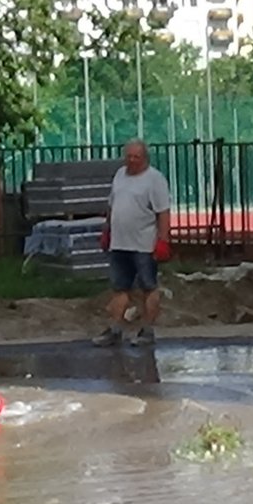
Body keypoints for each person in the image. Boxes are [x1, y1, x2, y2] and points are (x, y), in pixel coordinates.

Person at [92, 139, 172, 348]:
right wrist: (107, 230)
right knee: (119, 287)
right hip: (120, 243)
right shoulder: (120, 175)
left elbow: (163, 212)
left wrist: (163, 240)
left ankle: (147, 330)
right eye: (129, 156)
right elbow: (112, 205)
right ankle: (115, 329)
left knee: (148, 287)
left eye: (137, 157)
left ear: (145, 158)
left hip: (143, 244)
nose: (132, 160)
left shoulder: (155, 179)